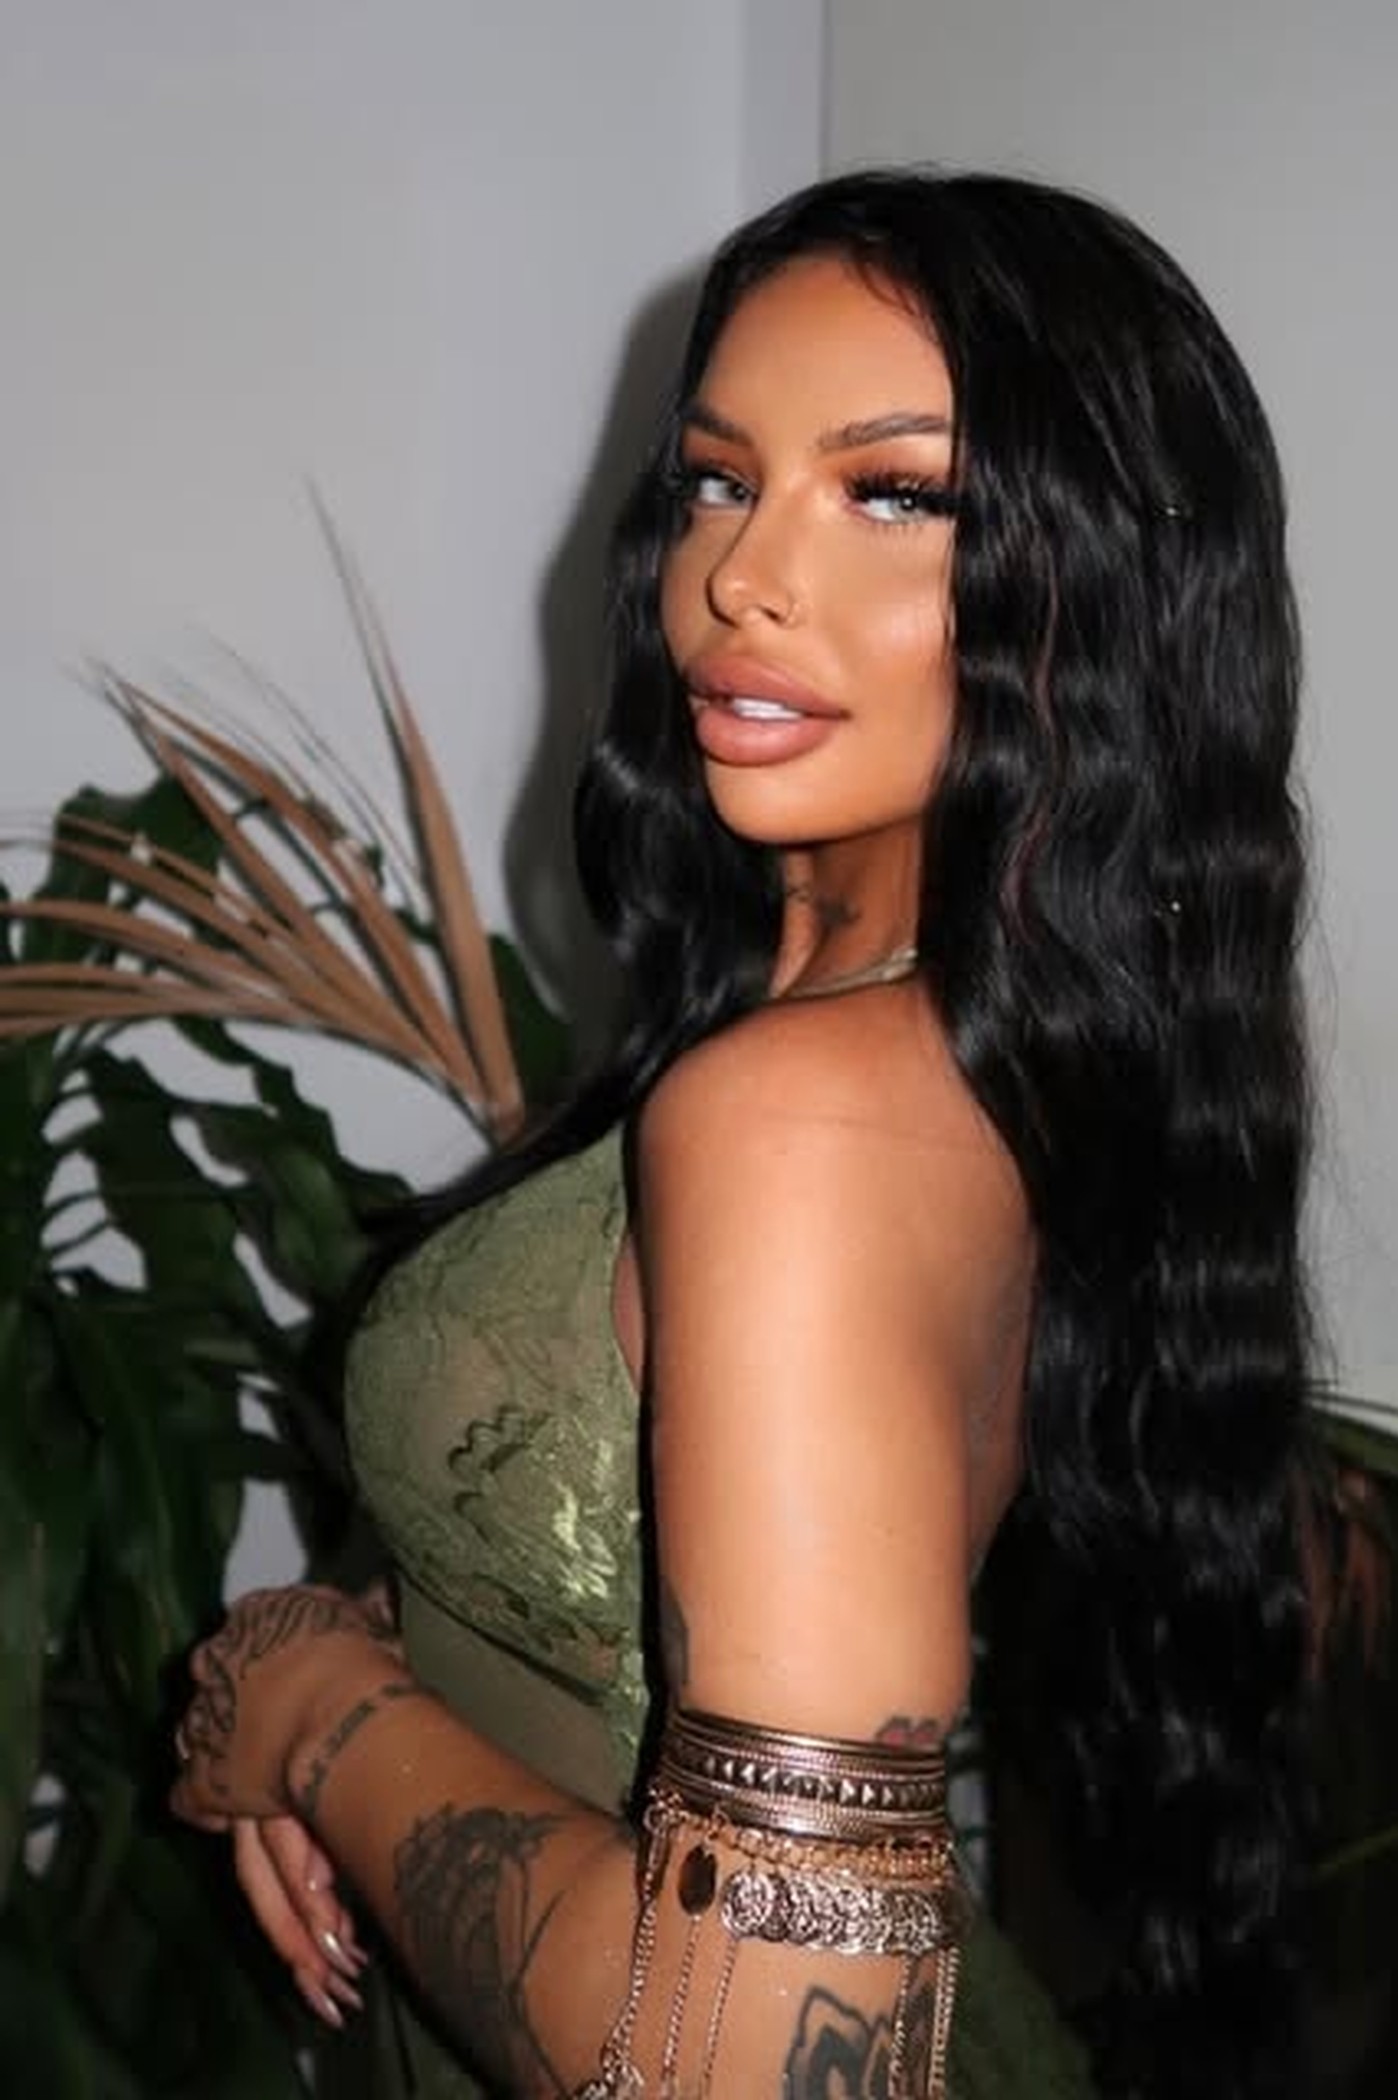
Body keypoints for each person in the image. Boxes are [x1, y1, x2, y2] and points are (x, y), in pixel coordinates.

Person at [171, 168, 1314, 2100]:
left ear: (1105, 583)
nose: (739, 578)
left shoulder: (809, 1117)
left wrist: (322, 1718)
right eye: (717, 479)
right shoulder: (903, 1042)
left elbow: (762, 2066)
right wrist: (384, 1632)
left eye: (895, 494)